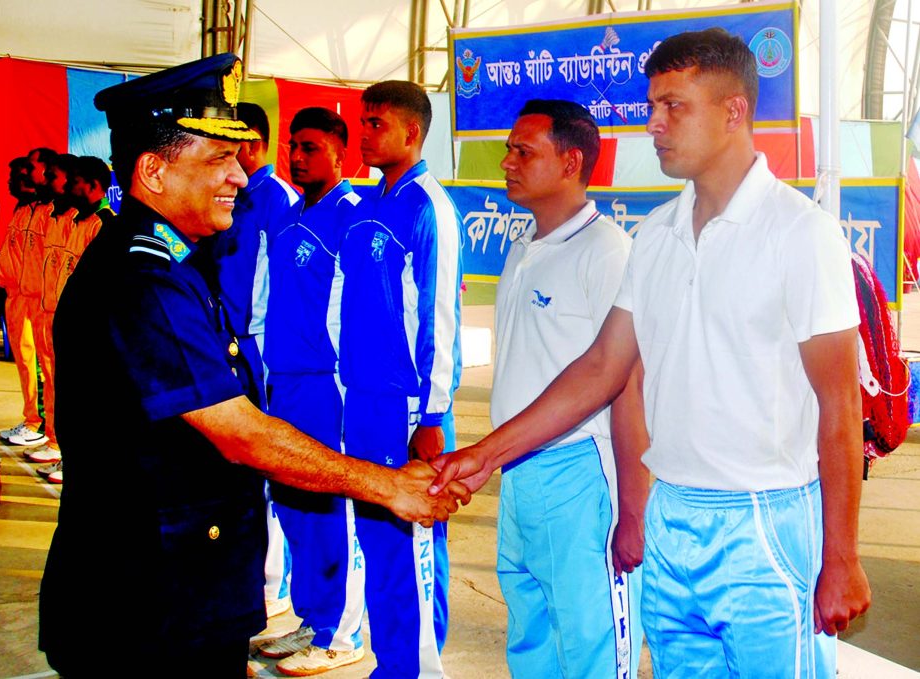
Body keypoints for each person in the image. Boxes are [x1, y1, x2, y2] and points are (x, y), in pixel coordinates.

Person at [432, 28, 871, 679]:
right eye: (650, 106)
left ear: (733, 111)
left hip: (767, 518)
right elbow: (600, 367)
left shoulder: (799, 234)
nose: (653, 125)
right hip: (674, 515)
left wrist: (841, 556)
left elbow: (839, 408)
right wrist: (483, 454)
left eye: (673, 106)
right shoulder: (658, 235)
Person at [38, 54, 469, 679]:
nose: (242, 176)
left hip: (176, 596)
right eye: (218, 159)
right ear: (154, 171)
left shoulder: (177, 262)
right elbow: (238, 433)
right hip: (146, 609)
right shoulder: (145, 280)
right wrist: (387, 485)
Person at [489, 98, 647, 679]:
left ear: (570, 161)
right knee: (530, 632)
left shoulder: (608, 252)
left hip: (579, 473)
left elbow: (630, 384)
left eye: (522, 151)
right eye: (509, 149)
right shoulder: (522, 247)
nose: (506, 162)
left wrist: (633, 510)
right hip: (519, 471)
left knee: (591, 646)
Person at [335, 80, 462, 678]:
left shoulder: (427, 206)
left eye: (375, 124)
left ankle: (419, 670)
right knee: (375, 542)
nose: (363, 134)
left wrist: (431, 415)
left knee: (412, 548)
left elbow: (439, 315)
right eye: (362, 122)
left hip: (406, 407)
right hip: (360, 399)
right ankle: (390, 664)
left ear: (412, 133)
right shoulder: (366, 207)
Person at [256, 106, 367, 676]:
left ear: (340, 155)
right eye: (293, 148)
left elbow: (358, 313)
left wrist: (351, 387)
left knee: (331, 506)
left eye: (312, 148)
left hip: (330, 388)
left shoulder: (352, 216)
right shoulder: (291, 216)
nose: (298, 158)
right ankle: (310, 617)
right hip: (285, 381)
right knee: (293, 503)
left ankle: (341, 633)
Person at [211, 100, 299, 620]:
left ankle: (276, 581)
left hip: (261, 349)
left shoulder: (276, 198)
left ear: (251, 142)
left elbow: (276, 287)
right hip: (231, 342)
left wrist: (262, 351)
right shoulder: (236, 196)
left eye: (230, 143)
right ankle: (258, 574)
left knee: (270, 468)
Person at [35, 155, 114, 483]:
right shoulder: (73, 221)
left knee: (85, 402)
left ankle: (81, 463)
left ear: (93, 186)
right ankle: (64, 453)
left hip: (87, 331)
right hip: (59, 320)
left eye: (74, 180)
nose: (67, 185)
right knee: (61, 393)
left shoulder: (104, 225)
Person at [0, 147, 57, 449]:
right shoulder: (23, 210)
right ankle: (33, 419)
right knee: (25, 364)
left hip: (39, 301)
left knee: (43, 367)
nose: (14, 179)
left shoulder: (50, 212)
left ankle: (45, 427)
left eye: (23, 172)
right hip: (16, 297)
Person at [24, 153, 80, 470]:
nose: (46, 180)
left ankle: (62, 449)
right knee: (49, 380)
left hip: (63, 316)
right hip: (42, 308)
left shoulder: (91, 222)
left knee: (67, 388)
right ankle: (51, 439)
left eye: (53, 175)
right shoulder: (56, 216)